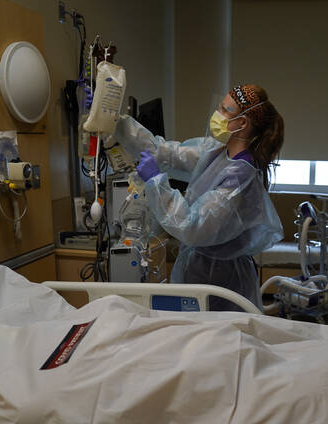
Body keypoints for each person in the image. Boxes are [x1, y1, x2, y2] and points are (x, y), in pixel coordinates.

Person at [113, 84, 285, 311]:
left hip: (222, 279)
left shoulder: (240, 177)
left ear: (242, 123)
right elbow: (165, 152)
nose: (218, 114)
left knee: (221, 340)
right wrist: (113, 120)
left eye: (225, 110)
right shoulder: (215, 151)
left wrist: (156, 182)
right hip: (197, 270)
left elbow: (192, 226)